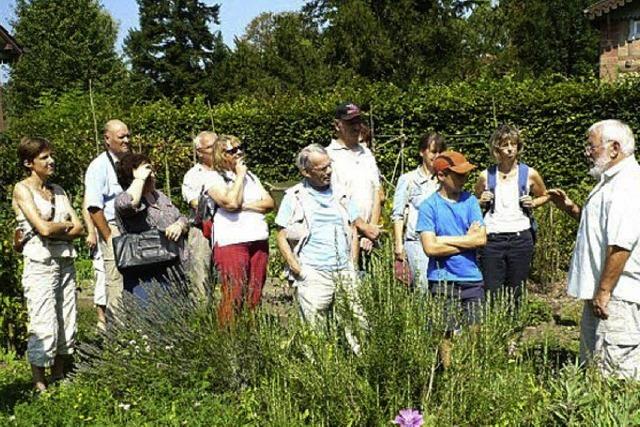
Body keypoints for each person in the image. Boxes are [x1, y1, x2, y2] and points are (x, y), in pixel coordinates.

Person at [549, 120, 640, 379]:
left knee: (618, 376)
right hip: (604, 294)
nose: (587, 152)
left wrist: (604, 291)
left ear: (614, 148)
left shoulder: (627, 185)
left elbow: (622, 244)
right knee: (594, 368)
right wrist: (572, 209)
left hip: (617, 296)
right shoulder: (610, 180)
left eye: (592, 146)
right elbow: (602, 231)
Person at [275, 144, 380, 330]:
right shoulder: (294, 197)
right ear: (306, 172)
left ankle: (360, 358)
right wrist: (296, 268)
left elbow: (354, 226)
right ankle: (317, 360)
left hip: (344, 270)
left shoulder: (342, 193)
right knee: (315, 330)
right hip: (313, 272)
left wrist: (353, 265)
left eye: (329, 165)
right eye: (323, 168)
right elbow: (281, 235)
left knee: (358, 324)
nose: (329, 171)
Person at [12, 137, 84, 391]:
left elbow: (80, 228)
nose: (51, 161)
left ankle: (60, 375)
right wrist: (63, 226)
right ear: (28, 162)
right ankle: (39, 384)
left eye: (51, 156)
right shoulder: (22, 190)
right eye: (44, 157)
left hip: (64, 260)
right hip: (39, 263)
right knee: (43, 319)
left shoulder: (60, 191)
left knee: (67, 317)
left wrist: (58, 228)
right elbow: (42, 228)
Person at [416, 151, 487, 368]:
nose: (464, 179)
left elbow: (481, 239)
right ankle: (448, 374)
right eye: (458, 175)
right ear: (441, 176)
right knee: (444, 332)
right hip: (442, 279)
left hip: (472, 277)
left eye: (465, 174)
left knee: (476, 330)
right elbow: (430, 247)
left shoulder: (471, 202)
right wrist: (467, 239)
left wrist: (445, 240)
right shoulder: (429, 206)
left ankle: (471, 373)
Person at [474, 124, 550, 305]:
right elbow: (474, 202)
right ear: (496, 148)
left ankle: (515, 325)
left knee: (516, 288)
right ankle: (493, 327)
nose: (510, 149)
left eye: (513, 144)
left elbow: (545, 195)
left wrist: (533, 202)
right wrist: (481, 200)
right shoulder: (485, 175)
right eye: (505, 144)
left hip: (520, 236)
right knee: (492, 287)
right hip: (492, 237)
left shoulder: (530, 174)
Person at [206, 134, 274, 325]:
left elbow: (269, 203)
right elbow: (230, 202)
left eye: (240, 148)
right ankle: (227, 341)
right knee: (234, 294)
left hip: (258, 238)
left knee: (255, 294)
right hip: (232, 241)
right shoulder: (213, 178)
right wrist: (240, 176)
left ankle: (250, 337)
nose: (239, 153)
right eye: (233, 150)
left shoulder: (252, 176)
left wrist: (244, 205)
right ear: (221, 155)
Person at [114, 152, 190, 301]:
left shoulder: (160, 196)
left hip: (175, 269)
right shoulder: (123, 198)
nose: (153, 175)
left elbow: (182, 217)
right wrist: (139, 179)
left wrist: (179, 225)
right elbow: (128, 205)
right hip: (146, 274)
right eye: (148, 172)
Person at [84, 119, 129, 319]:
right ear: (107, 139)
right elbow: (94, 207)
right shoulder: (98, 167)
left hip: (133, 227)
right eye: (122, 137)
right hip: (114, 228)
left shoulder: (130, 161)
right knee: (115, 279)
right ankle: (118, 334)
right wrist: (108, 236)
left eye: (128, 135)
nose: (127, 140)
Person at [326, 102, 381, 258]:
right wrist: (363, 227)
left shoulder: (367, 154)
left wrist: (372, 229)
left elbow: (377, 192)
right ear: (337, 125)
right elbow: (338, 198)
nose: (357, 127)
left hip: (369, 237)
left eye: (358, 122)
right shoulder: (329, 156)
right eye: (350, 123)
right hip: (344, 235)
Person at [391, 133, 446, 290]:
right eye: (433, 151)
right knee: (423, 289)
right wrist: (398, 245)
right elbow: (398, 214)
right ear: (422, 152)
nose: (437, 156)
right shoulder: (408, 180)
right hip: (417, 243)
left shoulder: (444, 180)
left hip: (442, 242)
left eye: (440, 152)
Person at [181, 131, 218, 296]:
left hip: (229, 228)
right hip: (203, 229)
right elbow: (196, 204)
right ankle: (202, 318)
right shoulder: (193, 176)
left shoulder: (228, 171)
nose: (216, 149)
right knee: (201, 278)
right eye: (210, 147)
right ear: (199, 152)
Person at [82, 198, 107, 331]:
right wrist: (91, 232)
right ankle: (101, 320)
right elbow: (87, 206)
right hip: (102, 230)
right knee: (102, 274)